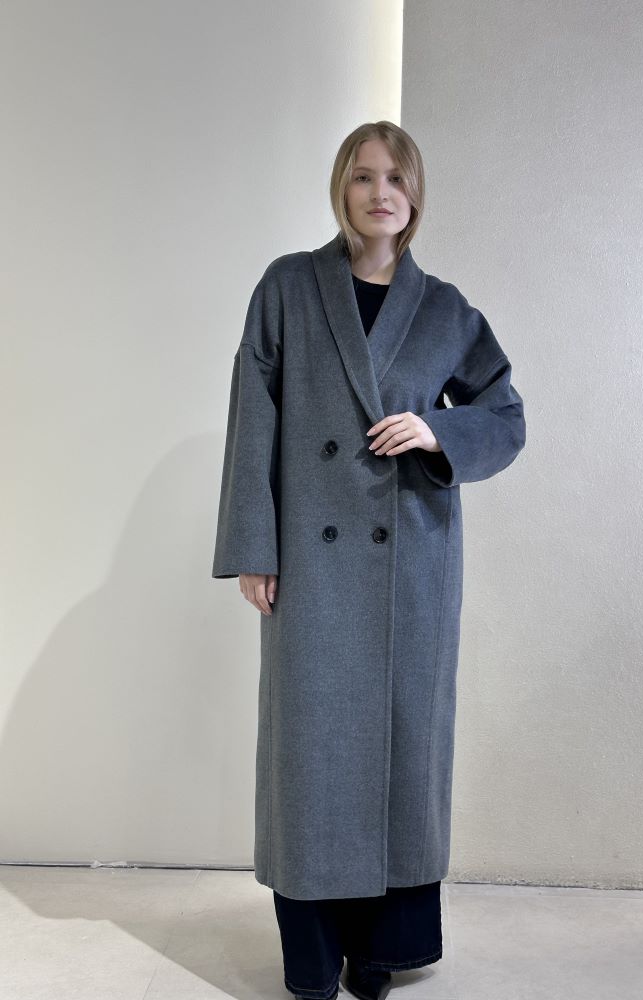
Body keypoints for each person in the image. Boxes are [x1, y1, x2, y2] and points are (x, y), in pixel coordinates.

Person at [212, 121, 526, 1000]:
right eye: (361, 176)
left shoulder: (445, 309)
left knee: (402, 750)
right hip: (311, 569)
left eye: (395, 177)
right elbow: (254, 417)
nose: (378, 192)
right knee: (311, 755)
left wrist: (437, 429)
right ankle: (314, 957)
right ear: (340, 189)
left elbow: (505, 416)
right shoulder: (287, 286)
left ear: (414, 194)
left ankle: (382, 951)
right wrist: (253, 547)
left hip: (410, 567)